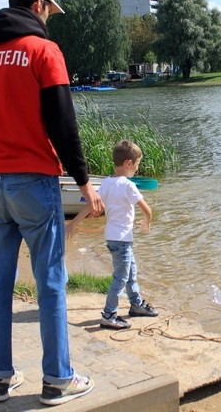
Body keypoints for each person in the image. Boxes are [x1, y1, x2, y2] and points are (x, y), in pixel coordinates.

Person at [0, 0, 104, 406]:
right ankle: (58, 380)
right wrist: (83, 182)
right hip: (34, 183)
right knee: (50, 283)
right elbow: (63, 123)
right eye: (50, 11)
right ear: (40, 6)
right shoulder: (44, 51)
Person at [67, 140, 157, 330]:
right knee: (121, 278)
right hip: (122, 240)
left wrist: (74, 222)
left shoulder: (106, 183)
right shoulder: (128, 186)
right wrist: (147, 222)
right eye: (137, 164)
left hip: (113, 238)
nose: (137, 169)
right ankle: (109, 315)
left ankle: (136, 304)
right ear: (129, 163)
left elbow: (93, 205)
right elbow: (147, 210)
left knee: (131, 272)